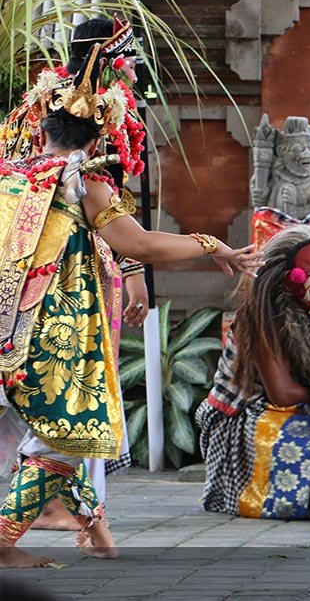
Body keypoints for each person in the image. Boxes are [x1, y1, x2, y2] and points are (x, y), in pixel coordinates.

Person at [0, 42, 260, 567]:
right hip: (53, 328)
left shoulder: (12, 173)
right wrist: (214, 246)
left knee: (67, 433)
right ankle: (3, 543)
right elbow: (136, 243)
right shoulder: (84, 181)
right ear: (101, 130)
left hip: (13, 322)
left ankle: (99, 533)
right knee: (67, 435)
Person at [0, 16, 149, 532]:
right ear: (107, 57)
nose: (134, 66)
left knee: (65, 398)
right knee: (69, 392)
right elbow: (104, 198)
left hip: (40, 250)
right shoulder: (97, 107)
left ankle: (85, 519)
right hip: (61, 261)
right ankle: (50, 512)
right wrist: (134, 270)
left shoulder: (43, 98)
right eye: (127, 56)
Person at [195, 226, 310, 520]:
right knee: (300, 436)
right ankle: (288, 499)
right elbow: (282, 394)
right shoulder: (261, 321)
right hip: (248, 416)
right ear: (288, 283)